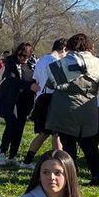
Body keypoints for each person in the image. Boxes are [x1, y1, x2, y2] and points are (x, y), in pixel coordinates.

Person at [45, 33, 99, 186]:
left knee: (68, 146)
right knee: (90, 145)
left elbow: (51, 83)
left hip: (67, 106)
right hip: (89, 107)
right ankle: (96, 175)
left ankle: (72, 177)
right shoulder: (98, 63)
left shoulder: (64, 62)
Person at [20, 38, 67, 169]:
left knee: (44, 133)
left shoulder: (41, 60)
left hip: (41, 98)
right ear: (63, 49)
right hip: (52, 98)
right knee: (56, 133)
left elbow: (35, 79)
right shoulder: (56, 61)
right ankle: (59, 161)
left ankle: (27, 160)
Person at [0, 42, 36, 166]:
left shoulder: (29, 65)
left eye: (25, 56)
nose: (22, 58)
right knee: (11, 124)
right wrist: (29, 85)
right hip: (10, 100)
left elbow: (32, 79)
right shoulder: (10, 63)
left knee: (19, 127)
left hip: (24, 101)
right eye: (20, 55)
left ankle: (13, 155)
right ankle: (2, 152)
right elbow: (12, 79)